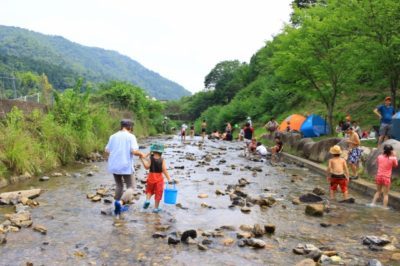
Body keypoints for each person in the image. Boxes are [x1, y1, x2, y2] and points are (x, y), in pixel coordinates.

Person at [105, 119, 143, 216]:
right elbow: (134, 151)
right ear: (130, 127)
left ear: (121, 126)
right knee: (131, 187)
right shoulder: (131, 136)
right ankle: (120, 203)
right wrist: (141, 154)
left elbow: (107, 150)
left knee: (119, 185)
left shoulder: (113, 136)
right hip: (125, 165)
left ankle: (115, 207)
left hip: (114, 164)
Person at [140, 143, 172, 213]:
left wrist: (142, 160)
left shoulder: (151, 158)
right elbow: (164, 170)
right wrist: (169, 179)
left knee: (149, 190)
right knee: (158, 193)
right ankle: (156, 208)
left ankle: (147, 200)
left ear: (153, 151)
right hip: (159, 179)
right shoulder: (162, 160)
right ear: (161, 152)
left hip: (151, 177)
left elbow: (146, 167)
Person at [370, 144, 398, 209]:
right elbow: (395, 165)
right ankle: (384, 208)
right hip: (386, 177)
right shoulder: (393, 158)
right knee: (385, 194)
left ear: (384, 150)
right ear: (391, 151)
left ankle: (372, 203)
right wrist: (394, 156)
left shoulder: (379, 156)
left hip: (379, 176)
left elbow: (378, 162)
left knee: (378, 191)